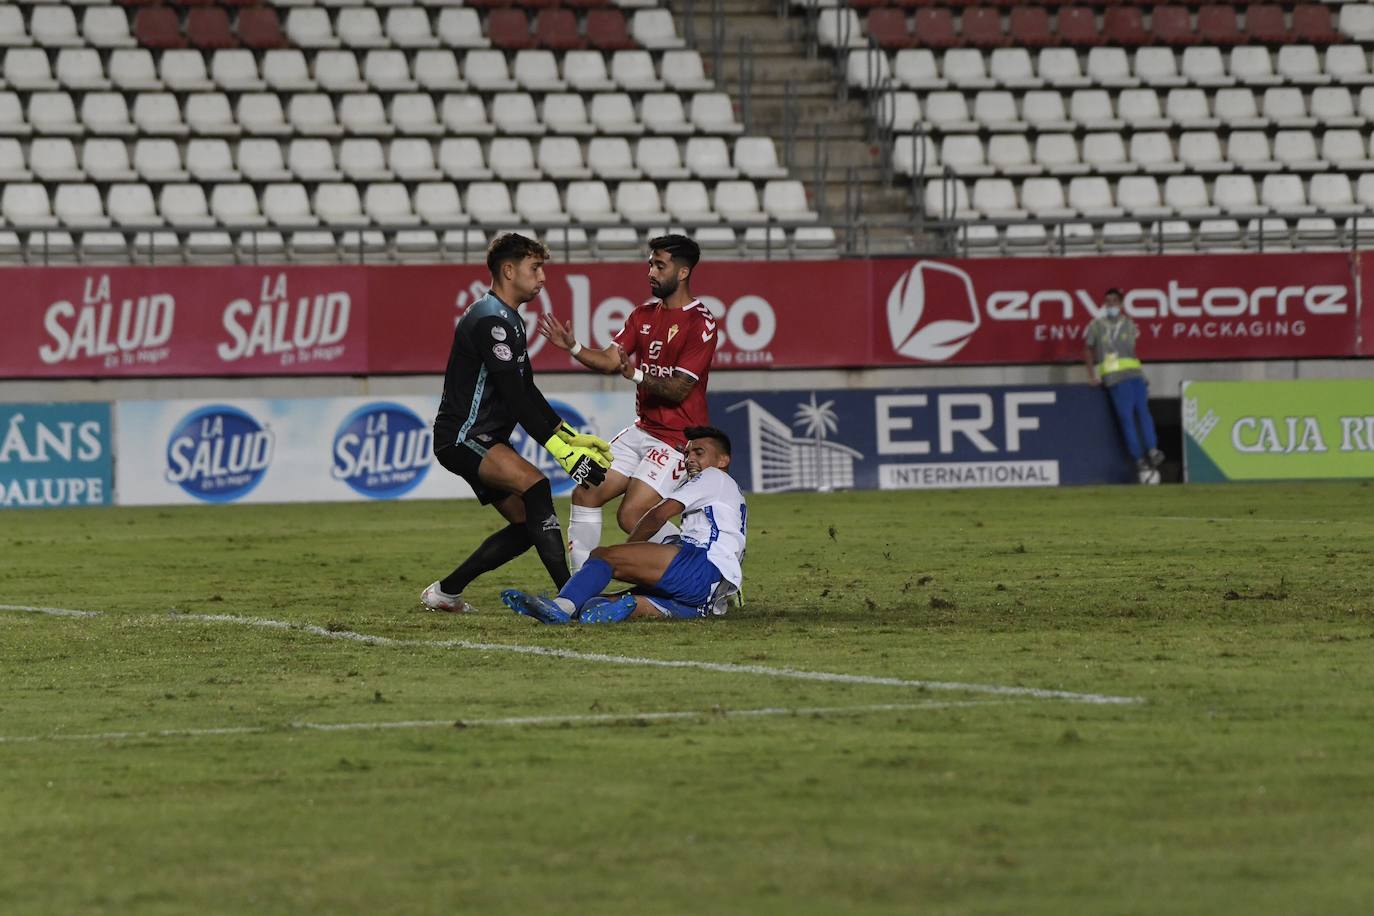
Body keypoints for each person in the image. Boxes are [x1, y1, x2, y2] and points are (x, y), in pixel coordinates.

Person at [420, 233, 613, 613]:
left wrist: (572, 438)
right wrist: (561, 453)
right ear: (509, 271)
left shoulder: (507, 319)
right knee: (537, 488)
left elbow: (527, 390)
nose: (542, 278)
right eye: (535, 268)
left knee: (529, 524)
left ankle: (446, 592)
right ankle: (572, 599)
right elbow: (515, 398)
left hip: (478, 438)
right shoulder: (491, 320)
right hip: (465, 437)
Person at [536, 234, 718, 572]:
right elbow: (610, 359)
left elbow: (678, 389)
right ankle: (578, 590)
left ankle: (703, 567)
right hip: (643, 429)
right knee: (586, 492)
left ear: (682, 272)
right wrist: (574, 347)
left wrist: (634, 375)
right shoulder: (642, 314)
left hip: (678, 437)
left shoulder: (701, 323)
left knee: (632, 515)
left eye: (659, 265)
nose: (650, 271)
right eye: (650, 263)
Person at [500, 425, 745, 624]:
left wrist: (630, 550)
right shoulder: (727, 491)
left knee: (604, 556)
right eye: (688, 453)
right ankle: (661, 609)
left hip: (700, 565)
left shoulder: (713, 476)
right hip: (708, 590)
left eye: (698, 453)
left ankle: (560, 608)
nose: (690, 459)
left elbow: (658, 515)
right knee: (593, 603)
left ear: (723, 459)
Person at [1084, 287, 1164, 484]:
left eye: (1114, 301)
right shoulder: (1096, 326)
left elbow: (1132, 352)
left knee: (1143, 413)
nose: (1110, 305)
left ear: (1120, 304)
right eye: (1107, 301)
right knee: (1126, 418)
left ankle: (1152, 449)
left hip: (1135, 375)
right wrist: (1091, 375)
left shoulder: (1129, 324)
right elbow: (1087, 348)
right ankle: (1138, 458)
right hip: (1115, 378)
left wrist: (1143, 374)